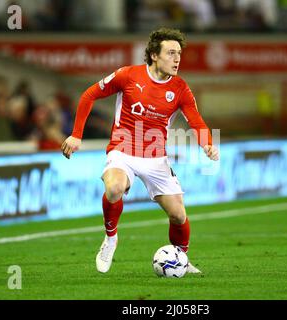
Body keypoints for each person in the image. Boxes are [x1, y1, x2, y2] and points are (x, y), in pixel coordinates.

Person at [61, 27, 219, 274]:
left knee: (178, 215)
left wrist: (207, 143)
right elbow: (89, 95)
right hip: (122, 151)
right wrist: (76, 134)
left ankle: (181, 260)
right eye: (170, 53)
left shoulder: (180, 89)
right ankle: (111, 238)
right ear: (154, 55)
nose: (177, 59)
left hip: (156, 158)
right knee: (114, 188)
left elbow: (196, 121)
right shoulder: (128, 75)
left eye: (179, 53)